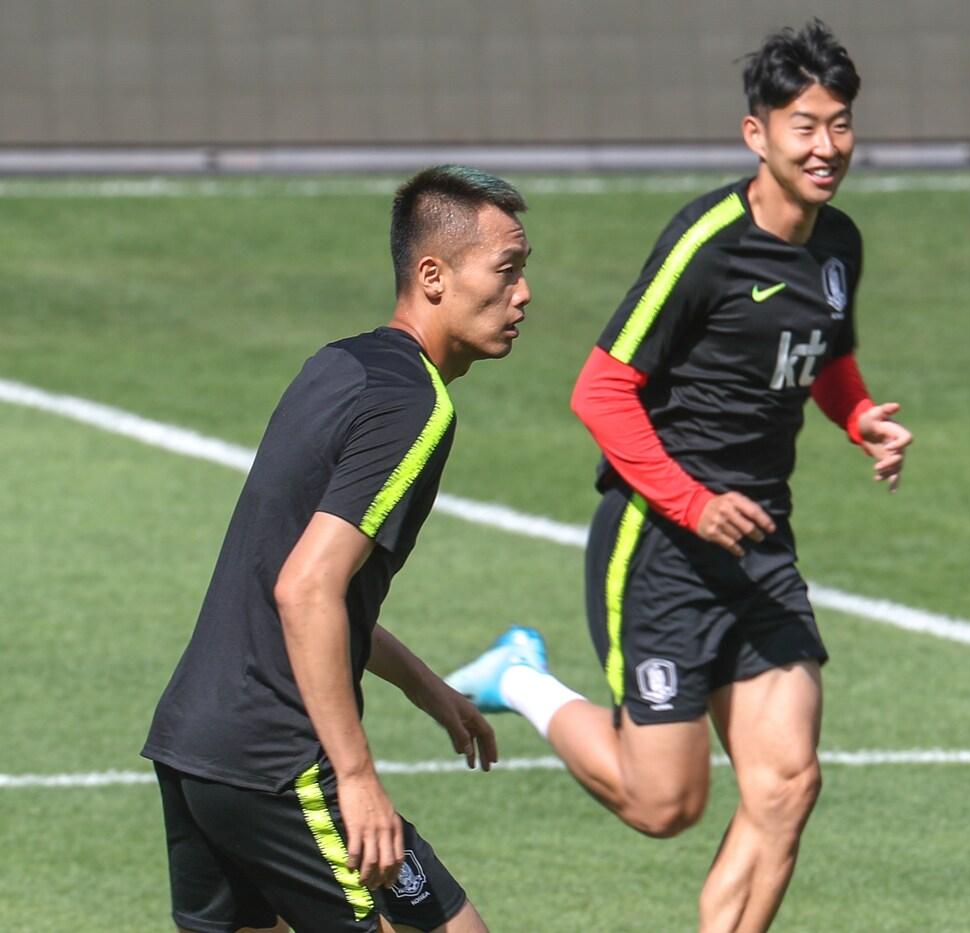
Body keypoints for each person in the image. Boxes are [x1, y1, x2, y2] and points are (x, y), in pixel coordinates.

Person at [449, 19, 911, 932]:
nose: (827, 147)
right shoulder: (705, 241)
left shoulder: (838, 247)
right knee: (666, 805)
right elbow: (601, 387)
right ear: (758, 134)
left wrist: (858, 417)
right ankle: (522, 676)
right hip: (659, 544)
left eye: (841, 124)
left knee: (787, 782)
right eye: (805, 126)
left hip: (760, 543)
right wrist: (692, 502)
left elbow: (819, 355)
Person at [142, 165, 533, 933]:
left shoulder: (341, 365)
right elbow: (304, 590)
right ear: (434, 275)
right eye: (508, 270)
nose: (524, 295)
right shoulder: (415, 404)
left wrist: (427, 687)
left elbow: (302, 585)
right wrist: (357, 778)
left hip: (195, 742)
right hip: (276, 757)